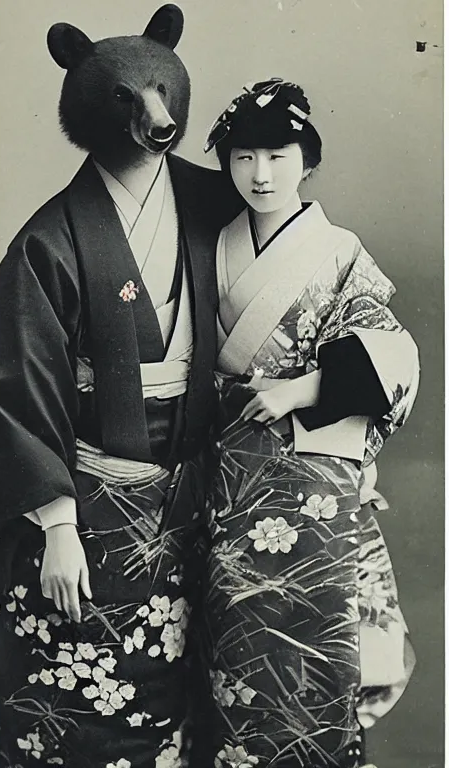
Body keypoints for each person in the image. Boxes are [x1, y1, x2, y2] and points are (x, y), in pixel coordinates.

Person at [0, 7, 240, 767]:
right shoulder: (49, 242)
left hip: (193, 507)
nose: (152, 114)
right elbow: (18, 392)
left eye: (160, 94)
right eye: (128, 98)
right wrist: (55, 526)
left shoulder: (211, 203)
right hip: (87, 514)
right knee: (74, 711)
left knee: (190, 705)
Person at [202, 78, 419, 768]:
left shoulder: (339, 252)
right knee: (231, 661)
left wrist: (299, 390)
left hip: (311, 491)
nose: (260, 175)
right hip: (224, 481)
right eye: (242, 157)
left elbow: (393, 355)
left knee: (313, 655)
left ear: (307, 160)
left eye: (278, 155)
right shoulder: (208, 243)